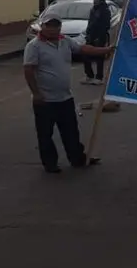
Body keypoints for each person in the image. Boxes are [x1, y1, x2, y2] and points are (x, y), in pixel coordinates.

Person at [23, 16, 113, 173]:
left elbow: (83, 49)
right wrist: (36, 93)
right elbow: (28, 70)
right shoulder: (34, 46)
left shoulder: (65, 41)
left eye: (56, 26)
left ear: (60, 28)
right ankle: (50, 163)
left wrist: (105, 50)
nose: (52, 29)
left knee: (71, 131)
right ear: (42, 27)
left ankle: (77, 158)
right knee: (45, 134)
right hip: (45, 99)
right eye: (49, 26)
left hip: (65, 97)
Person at [82, 0, 112, 85]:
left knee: (99, 57)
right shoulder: (93, 9)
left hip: (100, 36)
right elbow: (90, 23)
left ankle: (99, 77)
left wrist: (99, 36)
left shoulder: (105, 10)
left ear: (101, 0)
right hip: (91, 36)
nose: (94, 1)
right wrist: (88, 33)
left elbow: (106, 25)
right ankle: (89, 75)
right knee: (85, 55)